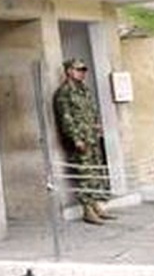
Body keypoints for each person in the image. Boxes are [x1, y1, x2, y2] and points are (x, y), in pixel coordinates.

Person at [52, 58, 115, 225]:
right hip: (80, 140)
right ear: (69, 71)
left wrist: (97, 125)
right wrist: (76, 139)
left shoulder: (84, 90)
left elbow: (92, 110)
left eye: (83, 70)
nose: (82, 73)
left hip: (91, 138)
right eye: (79, 69)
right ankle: (87, 210)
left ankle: (95, 205)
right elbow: (66, 119)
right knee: (84, 174)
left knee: (94, 172)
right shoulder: (64, 93)